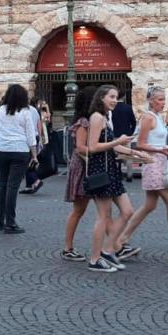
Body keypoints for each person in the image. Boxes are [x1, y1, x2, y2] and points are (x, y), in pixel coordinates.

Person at [117, 86, 168, 258]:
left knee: (150, 205)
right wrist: (161, 149)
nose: (162, 103)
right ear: (150, 100)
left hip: (158, 161)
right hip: (154, 163)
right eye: (159, 99)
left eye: (164, 99)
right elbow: (139, 144)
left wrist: (167, 149)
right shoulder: (148, 117)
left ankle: (120, 240)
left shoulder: (157, 117)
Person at [82, 85, 148, 271]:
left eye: (116, 97)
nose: (114, 100)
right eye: (111, 96)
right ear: (101, 97)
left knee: (127, 211)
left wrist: (136, 154)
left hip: (111, 169)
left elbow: (113, 146)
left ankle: (108, 249)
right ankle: (95, 259)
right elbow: (93, 147)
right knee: (103, 216)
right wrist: (118, 141)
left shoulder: (105, 117)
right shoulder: (96, 117)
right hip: (100, 170)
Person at [0, 84, 38, 234]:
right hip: (19, 150)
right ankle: (10, 222)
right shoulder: (25, 112)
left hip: (1, 149)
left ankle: (0, 221)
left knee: (3, 185)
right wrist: (35, 155)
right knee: (12, 187)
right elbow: (31, 136)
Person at [61, 87, 97, 261]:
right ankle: (67, 247)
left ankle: (117, 244)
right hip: (84, 166)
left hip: (88, 165)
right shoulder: (84, 122)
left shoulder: (93, 120)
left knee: (104, 209)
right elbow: (80, 147)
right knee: (79, 209)